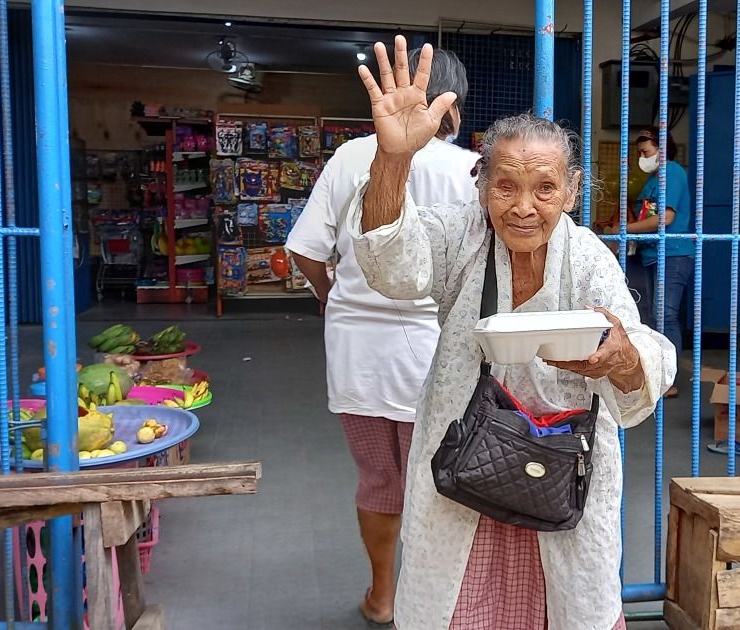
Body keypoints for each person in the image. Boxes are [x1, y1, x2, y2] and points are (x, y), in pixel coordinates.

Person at [349, 37, 675, 629]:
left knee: (566, 602)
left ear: (571, 191)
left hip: (560, 478)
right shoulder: (462, 234)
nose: (524, 207)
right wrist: (393, 158)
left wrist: (620, 358)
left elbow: (647, 355)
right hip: (466, 471)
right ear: (481, 185)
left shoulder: (589, 259)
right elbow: (392, 265)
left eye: (545, 189)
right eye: (506, 186)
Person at [285, 46, 476, 627]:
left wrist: (332, 299)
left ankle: (383, 596)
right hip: (439, 353)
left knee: (379, 479)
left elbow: (304, 249)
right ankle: (438, 600)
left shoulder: (350, 156)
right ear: (455, 110)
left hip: (357, 351)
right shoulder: (468, 168)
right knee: (446, 478)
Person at [606, 128, 694, 398]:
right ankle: (654, 373)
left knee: (665, 316)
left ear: (662, 148)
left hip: (673, 253)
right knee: (651, 316)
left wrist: (626, 229)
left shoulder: (673, 173)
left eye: (646, 152)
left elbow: (664, 218)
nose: (642, 158)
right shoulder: (651, 181)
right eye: (640, 152)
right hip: (650, 254)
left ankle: (668, 379)